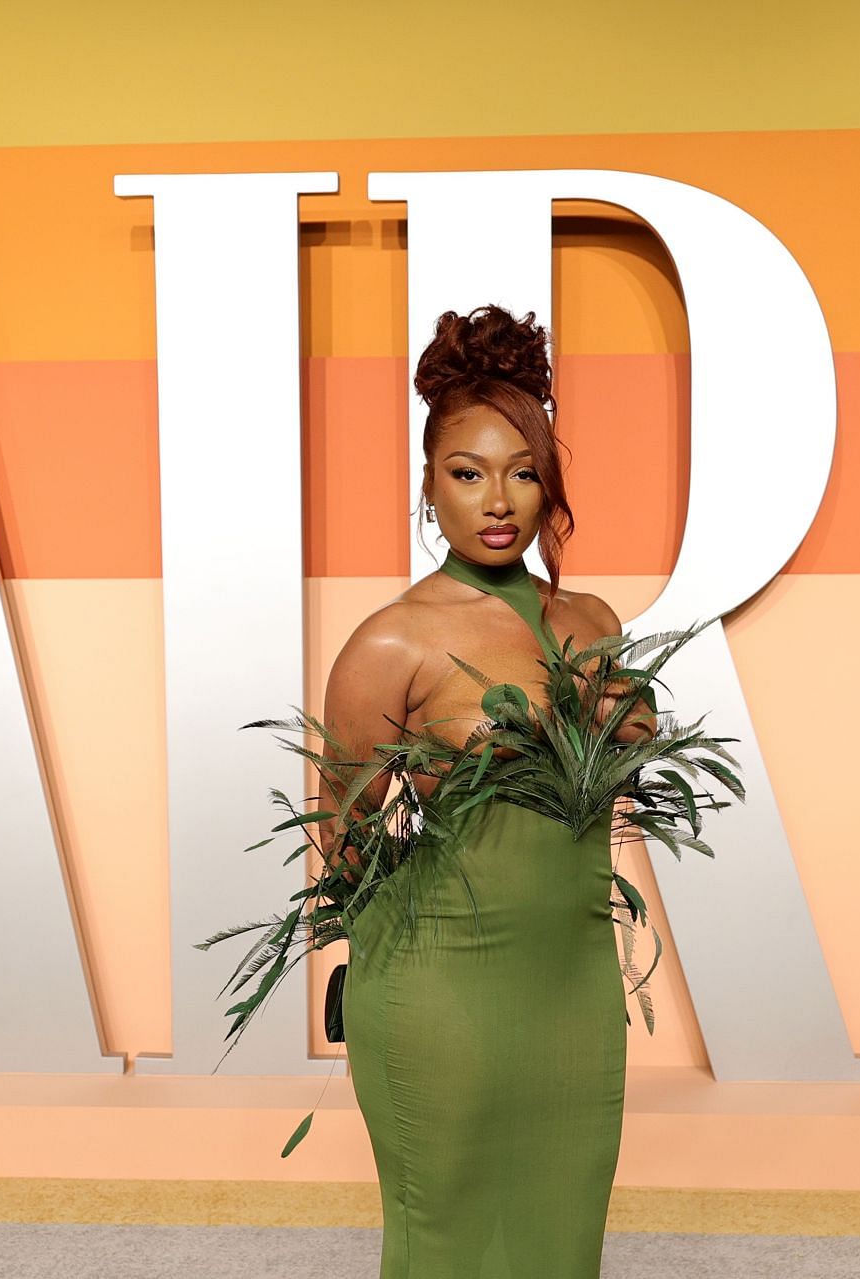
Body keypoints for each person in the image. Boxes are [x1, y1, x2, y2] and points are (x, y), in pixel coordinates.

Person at [320, 304, 656, 1276]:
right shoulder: (391, 644)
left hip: (573, 991)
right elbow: (341, 842)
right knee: (448, 1245)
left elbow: (627, 761)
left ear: (548, 480)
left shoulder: (592, 620)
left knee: (561, 1247)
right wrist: (389, 960)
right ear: (429, 486)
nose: (496, 499)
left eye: (521, 470)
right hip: (439, 994)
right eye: (467, 473)